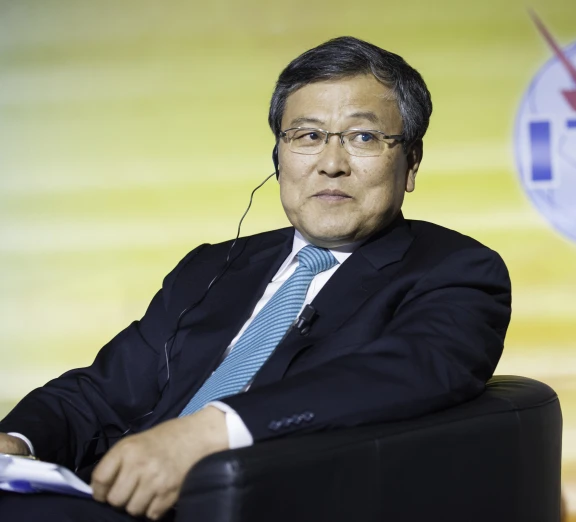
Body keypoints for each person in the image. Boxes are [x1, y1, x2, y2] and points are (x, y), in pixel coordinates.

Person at [0, 36, 511, 521]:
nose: (331, 164)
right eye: (307, 136)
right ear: (279, 157)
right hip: (105, 498)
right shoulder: (213, 266)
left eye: (363, 137)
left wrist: (211, 434)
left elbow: (409, 371)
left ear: (411, 163)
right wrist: (17, 443)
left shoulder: (455, 270)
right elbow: (99, 392)